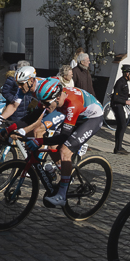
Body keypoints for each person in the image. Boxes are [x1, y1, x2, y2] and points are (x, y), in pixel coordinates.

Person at [15, 76, 105, 208]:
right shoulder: (50, 97)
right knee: (52, 146)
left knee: (65, 150)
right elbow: (33, 116)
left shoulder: (72, 104)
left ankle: (62, 196)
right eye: (43, 103)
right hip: (77, 116)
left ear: (57, 98)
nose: (44, 107)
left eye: (46, 104)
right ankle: (66, 173)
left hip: (92, 118)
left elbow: (63, 136)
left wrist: (39, 140)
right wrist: (11, 128)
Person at [110, 65, 130, 154]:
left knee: (121, 126)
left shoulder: (124, 82)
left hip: (119, 105)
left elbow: (122, 94)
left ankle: (118, 147)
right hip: (117, 105)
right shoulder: (120, 82)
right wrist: (126, 102)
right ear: (127, 73)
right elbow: (115, 97)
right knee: (122, 126)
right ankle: (118, 147)